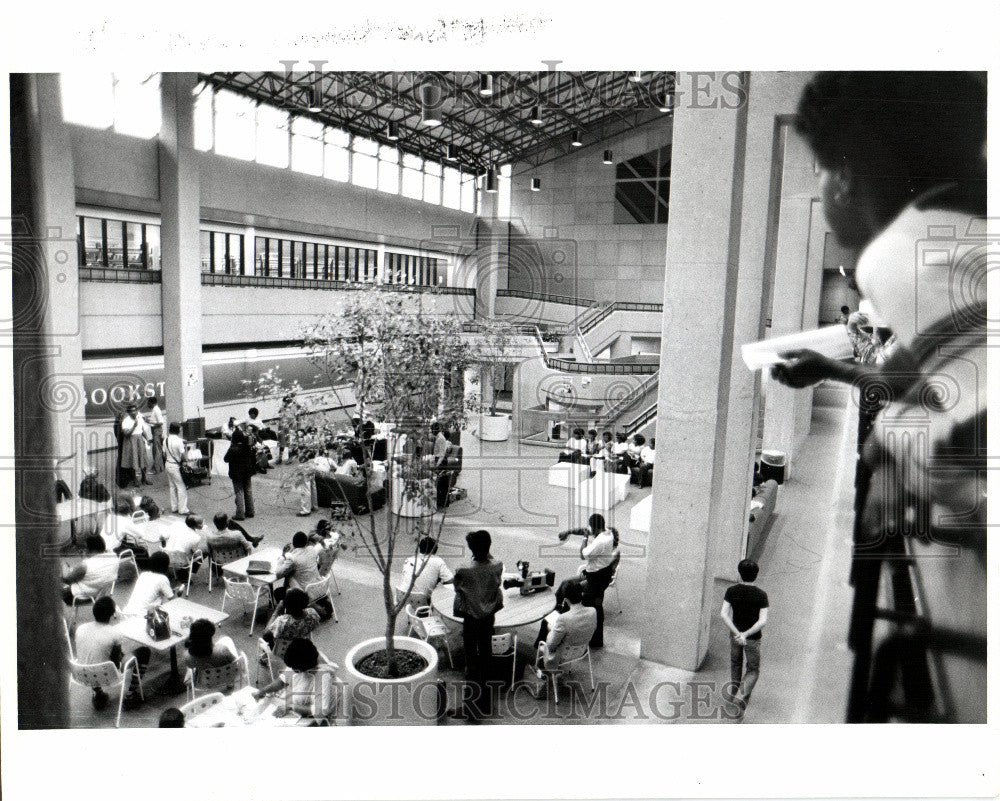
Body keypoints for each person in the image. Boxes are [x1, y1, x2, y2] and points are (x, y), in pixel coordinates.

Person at [772, 71, 987, 722]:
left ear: (852, 171)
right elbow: (910, 377)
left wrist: (890, 441)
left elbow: (959, 442)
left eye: (822, 167)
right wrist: (829, 371)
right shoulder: (965, 224)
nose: (821, 187)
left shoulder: (903, 253)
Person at [450, 529, 503, 722]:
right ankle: (486, 703)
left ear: (472, 549)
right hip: (489, 618)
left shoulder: (464, 570)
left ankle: (470, 709)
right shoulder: (497, 565)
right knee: (486, 658)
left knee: (472, 663)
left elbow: (457, 587)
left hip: (472, 620)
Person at [73, 596, 148, 709]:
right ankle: (131, 694)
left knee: (93, 657)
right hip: (107, 675)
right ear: (113, 614)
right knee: (144, 651)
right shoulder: (114, 633)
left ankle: (98, 693)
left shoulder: (81, 628)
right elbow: (115, 661)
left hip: (81, 674)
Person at [560, 513, 618, 649]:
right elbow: (584, 530)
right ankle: (596, 641)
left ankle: (577, 636)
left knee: (589, 606)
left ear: (595, 528)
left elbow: (582, 554)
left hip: (595, 579)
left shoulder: (599, 542)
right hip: (601, 575)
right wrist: (568, 532)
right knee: (597, 606)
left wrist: (585, 538)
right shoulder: (607, 532)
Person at [720, 559, 769, 719]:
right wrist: (746, 635)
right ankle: (741, 697)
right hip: (753, 638)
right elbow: (762, 621)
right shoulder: (762, 595)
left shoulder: (731, 591)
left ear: (739, 573)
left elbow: (724, 614)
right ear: (756, 575)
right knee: (753, 669)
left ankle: (733, 693)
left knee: (736, 664)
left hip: (735, 637)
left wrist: (738, 634)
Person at [252, 637, 339, 721]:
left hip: (312, 717)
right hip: (297, 704)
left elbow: (320, 711)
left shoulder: (323, 678)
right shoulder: (300, 660)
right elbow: (282, 682)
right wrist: (263, 691)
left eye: (294, 669)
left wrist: (290, 707)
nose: (292, 670)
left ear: (303, 669)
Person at [536, 579, 598, 670]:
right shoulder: (593, 611)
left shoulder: (564, 618)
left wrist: (551, 629)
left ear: (566, 600)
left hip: (563, 653)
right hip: (583, 650)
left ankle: (543, 668)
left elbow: (550, 644)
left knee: (547, 627)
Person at [262, 588, 322, 658]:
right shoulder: (312, 613)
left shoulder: (283, 621)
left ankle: (267, 657)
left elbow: (266, 633)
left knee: (267, 636)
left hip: (284, 653)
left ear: (286, 605)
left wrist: (277, 611)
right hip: (303, 646)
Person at [397, 536, 454, 608]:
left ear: (420, 548)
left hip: (403, 597)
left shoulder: (408, 560)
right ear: (435, 550)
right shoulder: (438, 561)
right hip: (422, 600)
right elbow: (450, 580)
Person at [61, 535, 119, 605]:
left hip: (78, 597)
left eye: (85, 548)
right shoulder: (114, 558)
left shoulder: (85, 566)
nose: (84, 550)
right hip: (102, 595)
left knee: (52, 582)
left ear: (89, 548)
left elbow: (67, 579)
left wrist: (63, 565)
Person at [274, 531, 323, 605]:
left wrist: (283, 556)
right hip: (317, 588)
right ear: (306, 543)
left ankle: (287, 612)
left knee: (278, 592)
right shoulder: (312, 550)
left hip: (303, 593)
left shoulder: (292, 558)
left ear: (293, 544)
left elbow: (278, 573)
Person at [123, 551, 176, 615]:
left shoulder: (143, 574)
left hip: (127, 612)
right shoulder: (162, 579)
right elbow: (173, 600)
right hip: (142, 616)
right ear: (166, 566)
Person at [224, 422, 257, 520]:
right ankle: (250, 511)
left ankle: (240, 514)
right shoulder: (247, 446)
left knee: (239, 492)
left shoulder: (233, 448)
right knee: (248, 490)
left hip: (236, 473)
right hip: (247, 472)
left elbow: (226, 459)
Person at [120, 403, 152, 488]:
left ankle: (144, 478)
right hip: (131, 441)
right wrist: (134, 426)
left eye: (135, 410)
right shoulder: (126, 421)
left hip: (139, 439)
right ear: (129, 412)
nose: (134, 412)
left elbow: (142, 430)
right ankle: (135, 480)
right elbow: (126, 434)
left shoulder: (139, 417)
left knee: (143, 459)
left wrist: (147, 438)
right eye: (132, 411)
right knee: (133, 461)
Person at [162, 422, 190, 515]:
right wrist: (185, 460)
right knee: (181, 487)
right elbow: (183, 455)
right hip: (175, 466)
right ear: (178, 430)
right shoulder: (179, 441)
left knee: (172, 487)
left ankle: (174, 507)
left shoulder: (165, 439)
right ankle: (182, 509)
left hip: (168, 464)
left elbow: (164, 454)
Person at [146, 397, 166, 473]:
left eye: (148, 403)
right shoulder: (154, 410)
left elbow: (161, 422)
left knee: (156, 450)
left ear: (152, 403)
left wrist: (150, 422)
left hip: (157, 431)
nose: (147, 405)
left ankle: (156, 469)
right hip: (155, 431)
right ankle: (160, 468)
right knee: (158, 450)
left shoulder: (156, 410)